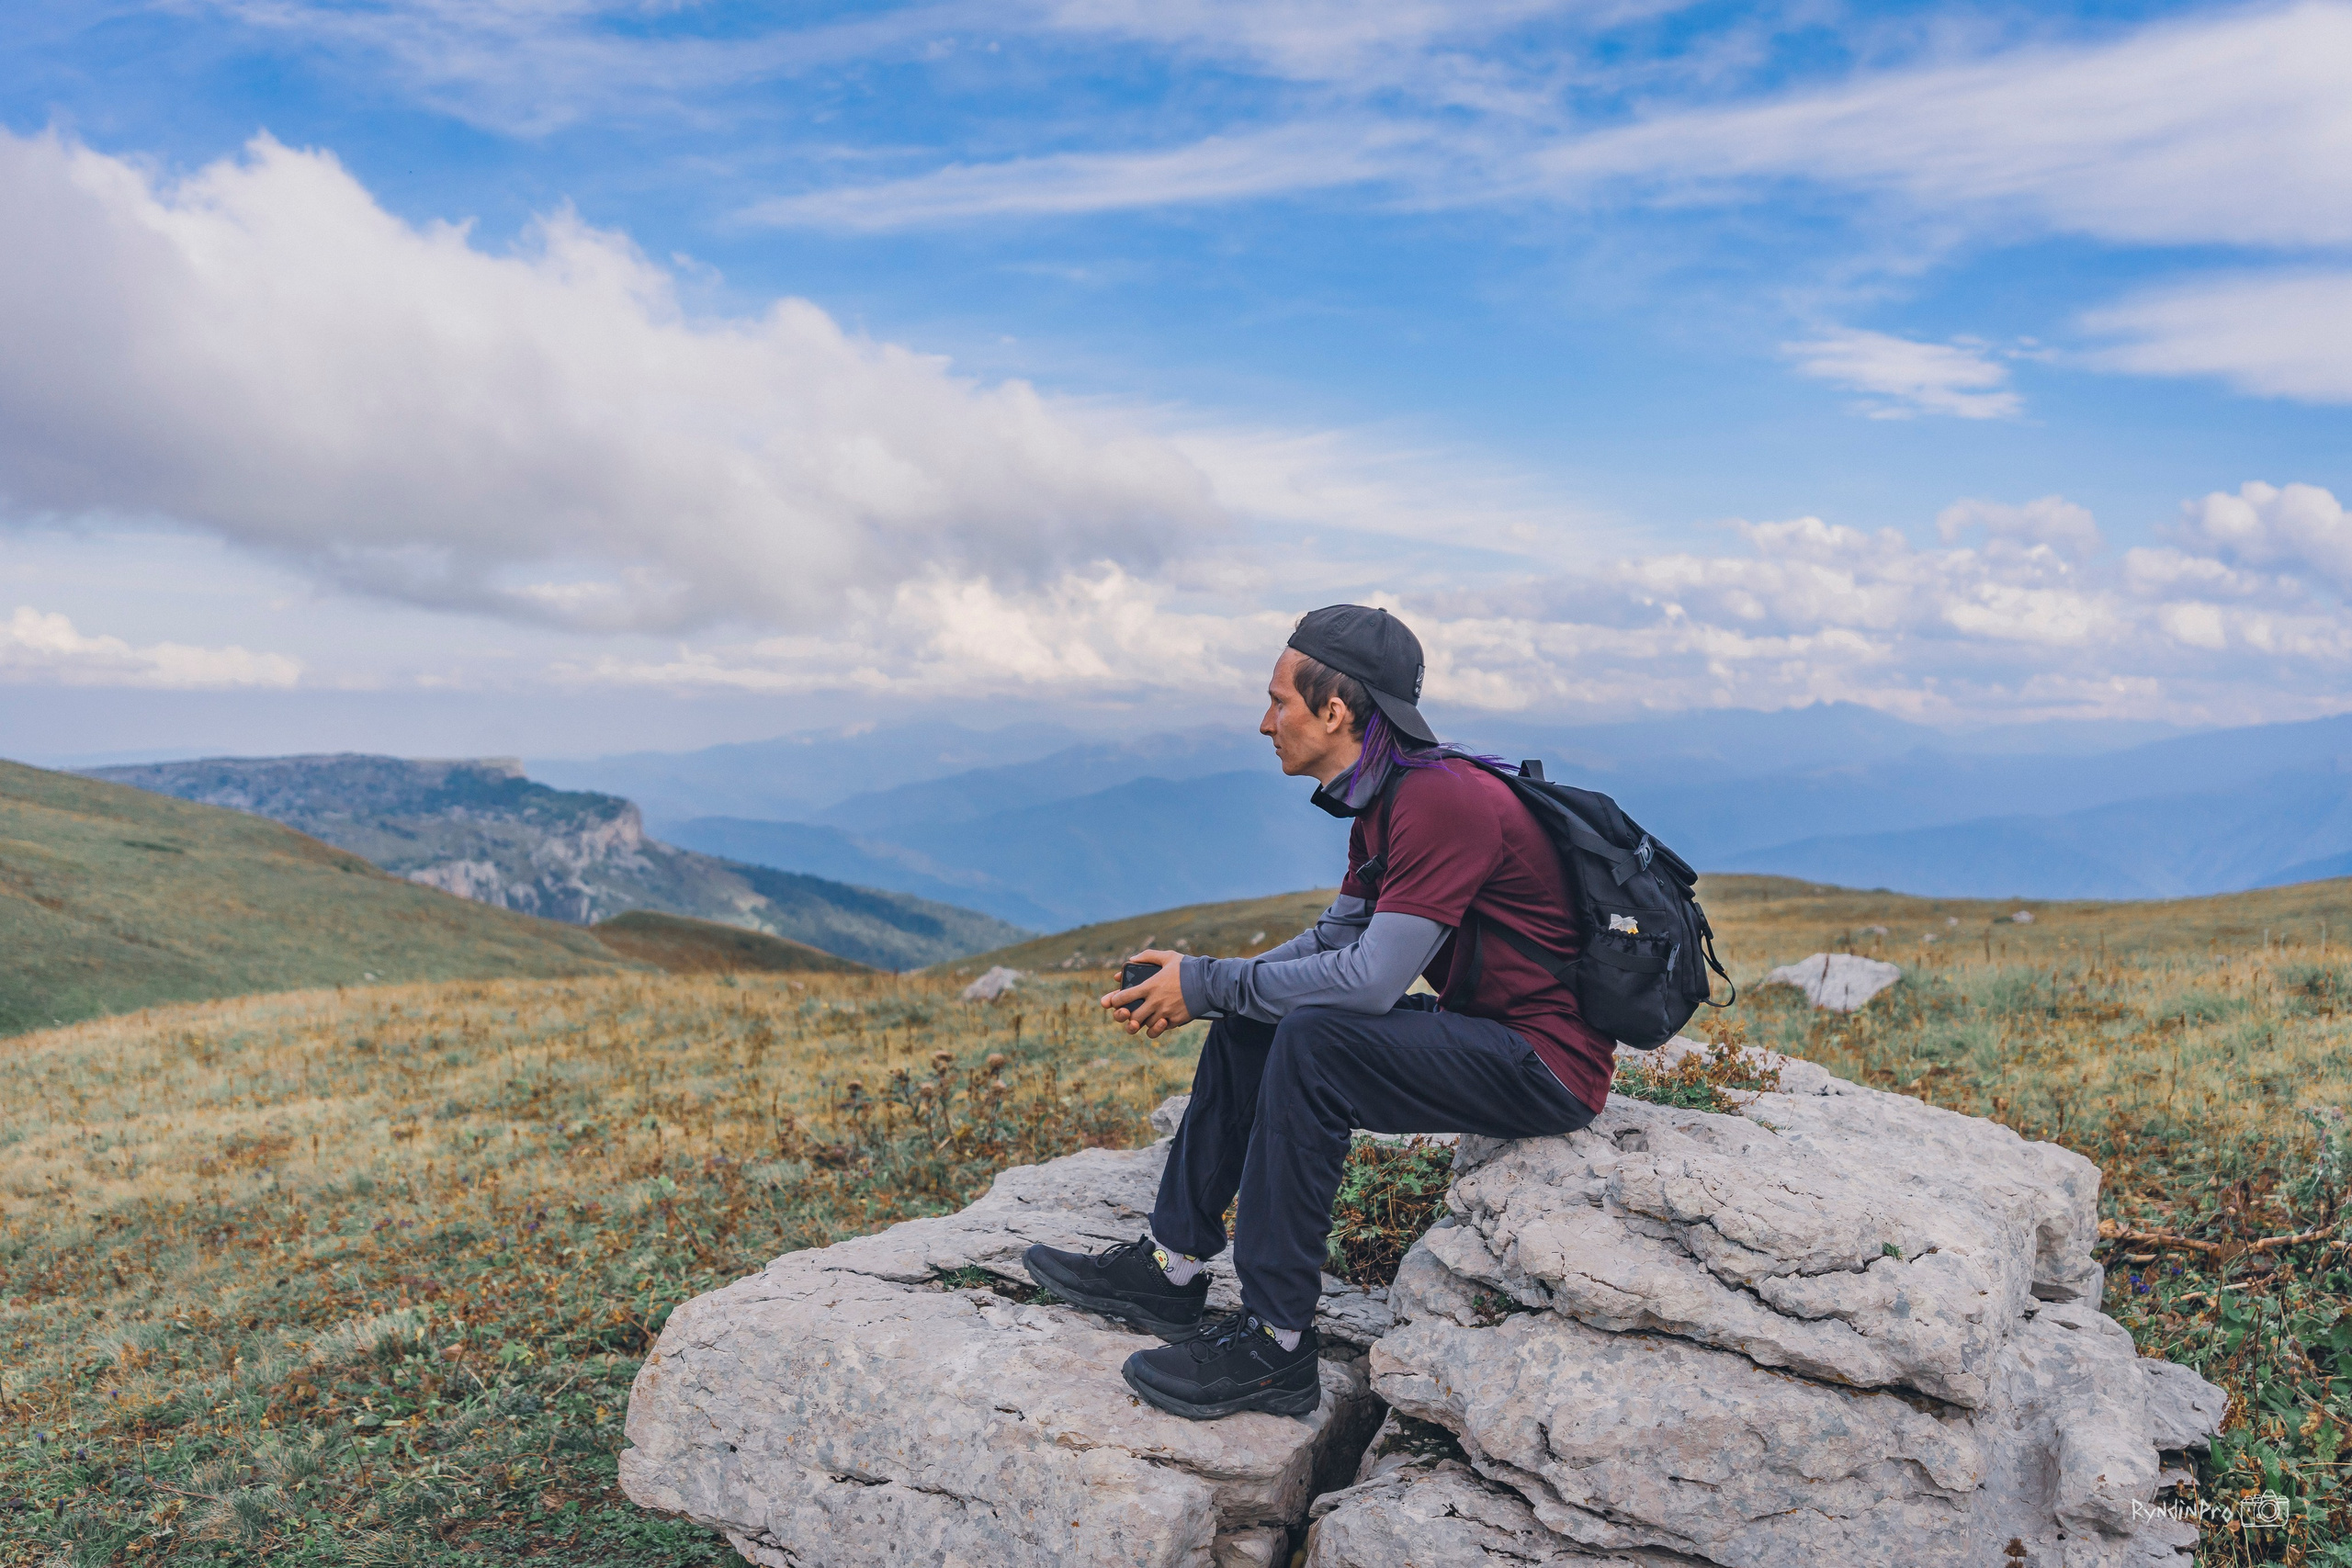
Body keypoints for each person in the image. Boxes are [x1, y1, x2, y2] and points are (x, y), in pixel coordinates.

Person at [1023, 604, 1611, 1421]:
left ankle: (1277, 1345)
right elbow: (1334, 939)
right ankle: (1171, 1269)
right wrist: (1204, 981)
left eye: (1278, 702)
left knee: (1312, 1039)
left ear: (1335, 710)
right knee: (1260, 1019)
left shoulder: (1441, 802)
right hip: (1487, 1035)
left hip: (1545, 1064)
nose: (1265, 723)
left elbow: (1369, 981)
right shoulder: (1385, 796)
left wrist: (1213, 983)